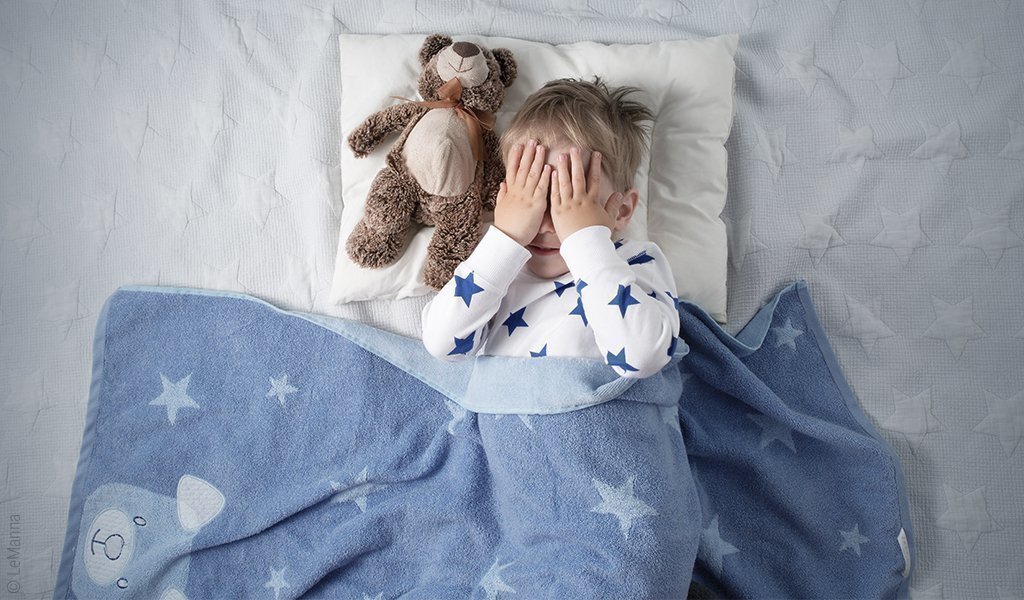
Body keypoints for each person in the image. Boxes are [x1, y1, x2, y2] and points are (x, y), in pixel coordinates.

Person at [421, 77, 681, 379]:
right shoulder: (499, 271)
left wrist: (586, 242)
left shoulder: (634, 263)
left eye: (571, 202)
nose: (544, 225)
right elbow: (442, 344)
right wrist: (507, 239)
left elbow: (642, 357)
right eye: (530, 199)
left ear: (621, 210)